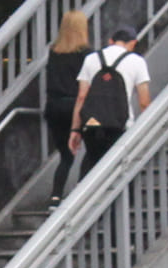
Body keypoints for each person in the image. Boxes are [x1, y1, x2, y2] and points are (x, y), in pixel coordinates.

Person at [68, 25, 151, 182]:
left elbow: (81, 97)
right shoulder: (137, 61)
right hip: (121, 125)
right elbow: (144, 102)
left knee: (90, 167)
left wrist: (75, 129)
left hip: (92, 125)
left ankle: (84, 203)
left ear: (110, 41)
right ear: (133, 43)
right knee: (120, 171)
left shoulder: (91, 59)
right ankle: (118, 206)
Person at [44, 10, 91, 205]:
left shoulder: (54, 52)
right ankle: (81, 190)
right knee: (92, 148)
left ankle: (55, 197)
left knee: (66, 154)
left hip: (54, 106)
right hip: (76, 105)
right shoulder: (87, 54)